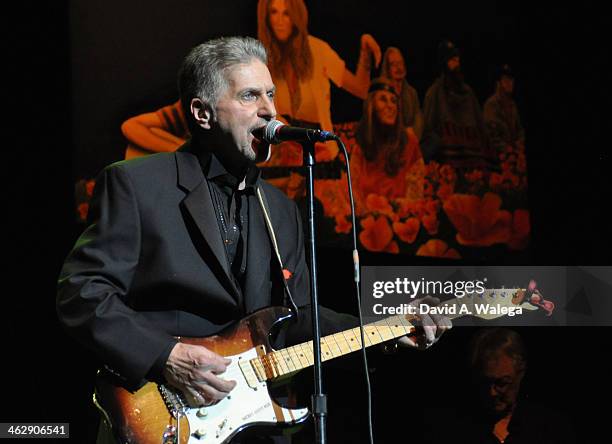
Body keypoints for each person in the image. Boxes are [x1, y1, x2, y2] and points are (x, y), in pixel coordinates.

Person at [57, 36, 450, 444]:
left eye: (270, 94)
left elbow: (298, 319)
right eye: (250, 96)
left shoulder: (279, 209)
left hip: (252, 429)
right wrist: (165, 357)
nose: (270, 111)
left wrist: (384, 329)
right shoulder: (137, 184)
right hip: (161, 419)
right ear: (202, 113)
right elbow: (82, 293)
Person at [256, 0, 381, 175]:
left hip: (320, 152)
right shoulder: (263, 58)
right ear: (266, 18)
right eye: (274, 12)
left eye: (286, 13)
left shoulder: (317, 50)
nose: (279, 20)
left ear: (296, 17)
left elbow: (360, 89)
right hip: (282, 155)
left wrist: (365, 52)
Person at [425, 328, 575, 444]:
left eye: (502, 383)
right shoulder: (453, 430)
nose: (491, 392)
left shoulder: (550, 428)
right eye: (484, 382)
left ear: (520, 373)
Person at [351, 77, 425, 212]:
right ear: (371, 106)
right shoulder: (360, 145)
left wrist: (392, 211)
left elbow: (415, 194)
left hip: (400, 218)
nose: (390, 106)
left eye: (394, 101)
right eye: (383, 99)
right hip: (367, 220)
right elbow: (354, 190)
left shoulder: (409, 142)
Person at [422, 40, 491, 168]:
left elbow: (480, 125)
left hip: (472, 155)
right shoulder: (435, 92)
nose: (457, 64)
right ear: (444, 63)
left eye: (457, 60)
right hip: (448, 158)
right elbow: (428, 127)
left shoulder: (468, 92)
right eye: (452, 60)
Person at [380, 46, 424, 140]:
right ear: (387, 68)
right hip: (389, 139)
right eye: (393, 64)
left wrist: (412, 134)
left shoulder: (411, 93)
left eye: (400, 63)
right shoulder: (381, 93)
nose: (398, 68)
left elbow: (418, 119)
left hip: (410, 139)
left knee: (433, 139)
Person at [483, 64, 525, 155]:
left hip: (513, 155)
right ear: (498, 83)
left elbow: (520, 129)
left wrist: (520, 143)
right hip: (498, 157)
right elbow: (491, 136)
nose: (510, 83)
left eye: (512, 80)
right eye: (506, 80)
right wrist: (507, 148)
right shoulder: (491, 105)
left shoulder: (512, 105)